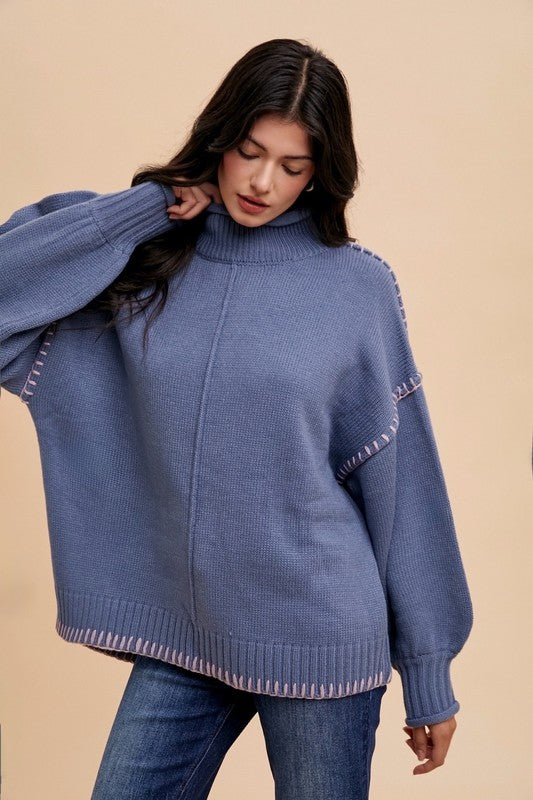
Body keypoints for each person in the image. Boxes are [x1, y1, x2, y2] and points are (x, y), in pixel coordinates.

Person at [0, 38, 473, 799]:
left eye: (293, 166)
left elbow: (402, 479)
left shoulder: (356, 288)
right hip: (184, 632)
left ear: (321, 173)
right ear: (218, 139)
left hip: (318, 633)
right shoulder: (147, 262)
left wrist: (427, 669)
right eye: (249, 152)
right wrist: (148, 206)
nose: (262, 182)